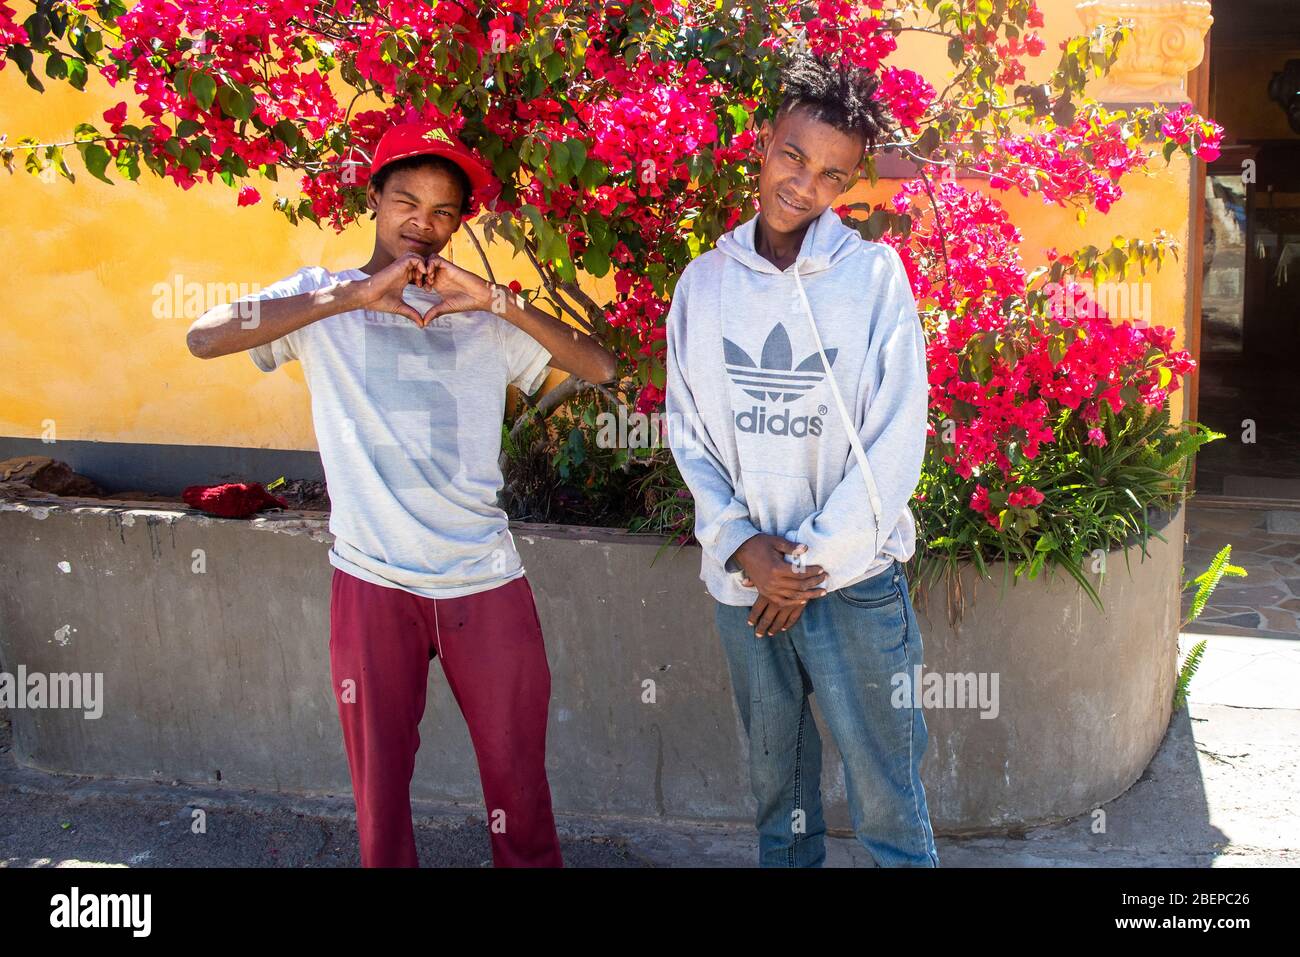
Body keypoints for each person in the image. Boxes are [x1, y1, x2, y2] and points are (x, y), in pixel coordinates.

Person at [186, 120, 617, 867]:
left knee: (517, 784)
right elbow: (204, 336)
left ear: (458, 224)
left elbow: (601, 368)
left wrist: (499, 301)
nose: (424, 224)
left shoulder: (480, 318)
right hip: (372, 579)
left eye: (444, 211)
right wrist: (351, 297)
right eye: (407, 201)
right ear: (375, 199)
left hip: (483, 581)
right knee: (380, 795)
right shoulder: (319, 302)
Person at [665, 52, 938, 867]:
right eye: (793, 155)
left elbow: (897, 438)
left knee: (889, 789)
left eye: (830, 173)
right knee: (775, 794)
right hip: (743, 584)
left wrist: (806, 564)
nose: (803, 183)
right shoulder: (703, 285)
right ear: (763, 145)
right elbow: (689, 433)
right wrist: (744, 547)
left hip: (851, 586)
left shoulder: (875, 279)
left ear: (848, 186)